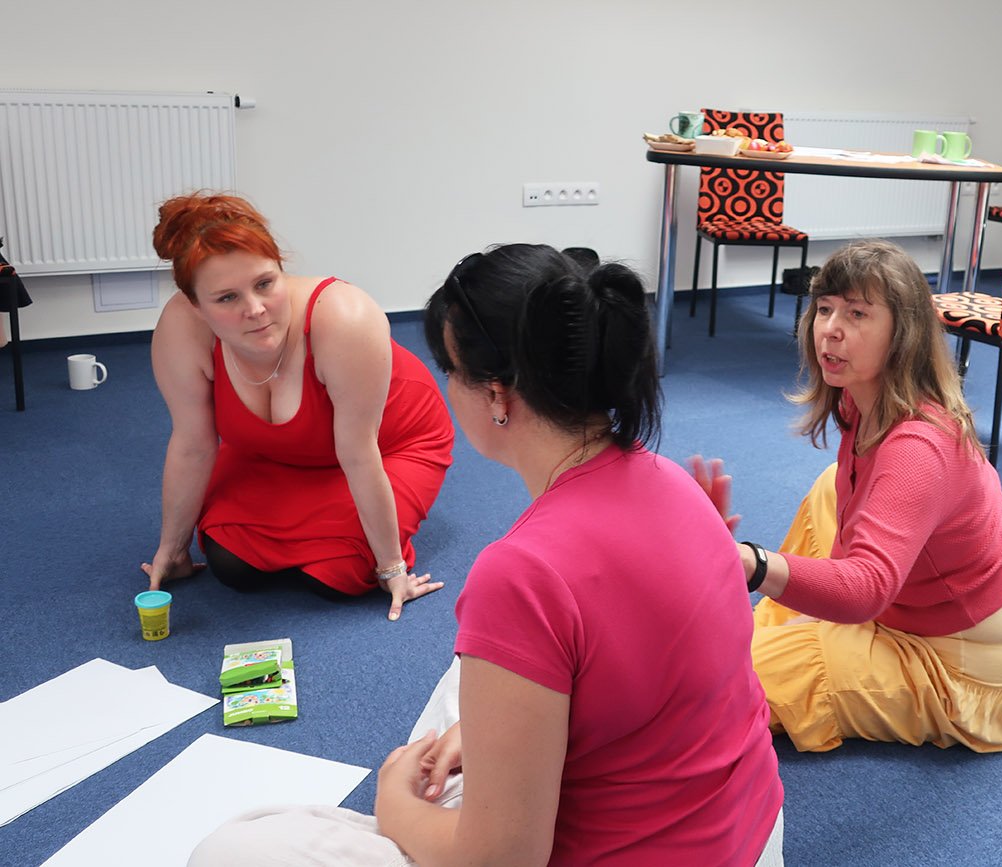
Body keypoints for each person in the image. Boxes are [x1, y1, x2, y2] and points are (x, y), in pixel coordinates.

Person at [189, 244, 785, 866]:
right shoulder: (673, 482)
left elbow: (499, 861)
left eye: (449, 370)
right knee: (478, 671)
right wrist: (479, 733)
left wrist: (395, 805)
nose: (445, 387)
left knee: (233, 848)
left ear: (497, 396)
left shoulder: (522, 572)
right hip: (749, 832)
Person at [694, 239, 1002, 754]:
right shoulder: (865, 398)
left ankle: (790, 632)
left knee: (718, 678)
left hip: (961, 667)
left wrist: (749, 564)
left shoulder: (919, 448)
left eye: (857, 314)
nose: (830, 329)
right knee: (830, 488)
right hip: (920, 600)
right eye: (824, 309)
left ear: (903, 334)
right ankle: (796, 624)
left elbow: (866, 590)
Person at [143, 192, 454, 620]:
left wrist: (391, 568)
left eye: (264, 284)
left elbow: (359, 454)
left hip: (388, 444)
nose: (255, 310)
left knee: (341, 574)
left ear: (280, 269)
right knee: (229, 563)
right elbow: (193, 444)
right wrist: (173, 549)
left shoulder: (345, 318)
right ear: (195, 305)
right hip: (271, 451)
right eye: (227, 298)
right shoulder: (182, 328)